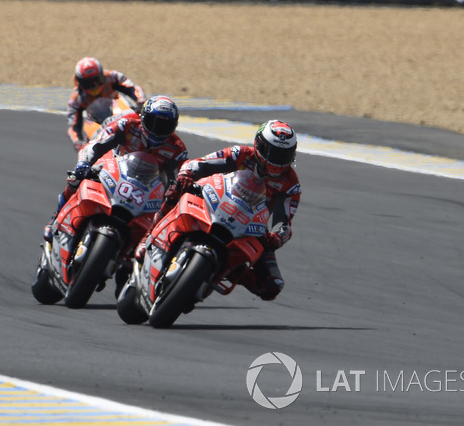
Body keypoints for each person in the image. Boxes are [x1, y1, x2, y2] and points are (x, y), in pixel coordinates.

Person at [137, 120, 301, 302]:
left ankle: (231, 270)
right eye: (274, 153)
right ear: (259, 145)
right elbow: (200, 164)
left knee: (272, 286)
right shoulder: (240, 154)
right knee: (176, 189)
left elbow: (283, 222)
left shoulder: (290, 184)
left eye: (284, 155)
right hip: (215, 203)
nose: (278, 161)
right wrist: (186, 175)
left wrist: (277, 237)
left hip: (249, 226)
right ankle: (149, 235)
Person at [44, 95, 188, 244]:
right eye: (154, 123)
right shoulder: (127, 125)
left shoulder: (177, 149)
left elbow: (180, 178)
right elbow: (96, 145)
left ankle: (137, 251)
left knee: (162, 220)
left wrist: (175, 193)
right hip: (114, 168)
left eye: (165, 126)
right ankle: (55, 218)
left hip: (148, 187)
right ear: (143, 117)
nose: (158, 131)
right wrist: (84, 162)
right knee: (77, 178)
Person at [67, 57, 147, 152]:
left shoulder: (112, 76)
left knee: (141, 118)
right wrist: (78, 141)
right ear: (80, 82)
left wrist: (140, 100)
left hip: (118, 110)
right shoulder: (76, 98)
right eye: (88, 83)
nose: (94, 85)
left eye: (97, 80)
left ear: (101, 74)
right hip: (97, 123)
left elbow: (133, 88)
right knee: (88, 149)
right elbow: (73, 126)